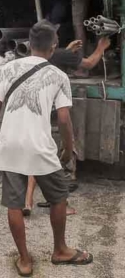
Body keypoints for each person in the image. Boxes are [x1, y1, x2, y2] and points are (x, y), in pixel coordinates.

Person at [0, 20, 93, 276]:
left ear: (29, 44)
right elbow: (64, 119)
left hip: (9, 145)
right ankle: (60, 250)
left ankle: (25, 259)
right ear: (54, 47)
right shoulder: (58, 76)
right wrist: (68, 148)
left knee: (14, 204)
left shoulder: (9, 68)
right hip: (40, 146)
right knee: (59, 198)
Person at [23, 35, 111, 215]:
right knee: (59, 156)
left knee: (35, 154)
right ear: (53, 44)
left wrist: (67, 50)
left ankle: (27, 202)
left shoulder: (28, 59)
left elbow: (57, 55)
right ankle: (61, 203)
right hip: (54, 110)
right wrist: (101, 47)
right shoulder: (61, 56)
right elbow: (88, 64)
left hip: (33, 109)